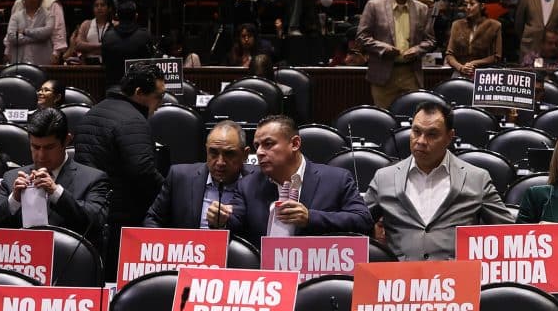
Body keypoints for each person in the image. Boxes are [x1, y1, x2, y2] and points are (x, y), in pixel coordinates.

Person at [365, 101, 513, 261]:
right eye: (416, 131)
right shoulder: (384, 178)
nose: (421, 141)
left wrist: (540, 233)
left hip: (456, 280)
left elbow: (510, 234)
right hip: (401, 279)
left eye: (432, 134)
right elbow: (356, 226)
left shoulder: (476, 178)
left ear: (450, 137)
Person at [72, 61, 166, 273]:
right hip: (120, 221)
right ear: (140, 92)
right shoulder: (133, 120)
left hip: (89, 212)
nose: (160, 103)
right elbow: (143, 172)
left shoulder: (94, 111)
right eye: (159, 96)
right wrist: (170, 192)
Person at [227, 114, 373, 244]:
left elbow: (363, 221)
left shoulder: (337, 180)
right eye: (257, 146)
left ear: (295, 144)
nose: (259, 152)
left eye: (268, 144)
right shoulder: (247, 185)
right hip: (265, 271)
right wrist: (222, 218)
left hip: (318, 269)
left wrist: (310, 218)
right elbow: (235, 224)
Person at [0, 108, 110, 246]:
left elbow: (96, 223)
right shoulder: (11, 178)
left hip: (68, 262)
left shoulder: (93, 179)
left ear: (67, 141)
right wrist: (14, 200)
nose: (41, 155)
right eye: (35, 147)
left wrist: (56, 193)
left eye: (49, 147)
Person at [144, 121, 252, 229]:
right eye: (213, 152)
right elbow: (153, 219)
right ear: (206, 150)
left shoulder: (257, 182)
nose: (220, 162)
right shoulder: (179, 177)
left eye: (229, 154)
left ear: (245, 154)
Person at [356, 0, 435, 109]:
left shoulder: (421, 9)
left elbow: (430, 40)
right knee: (384, 120)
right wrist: (383, 48)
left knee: (412, 119)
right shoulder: (374, 5)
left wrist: (417, 50)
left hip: (410, 74)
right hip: (383, 74)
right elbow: (362, 36)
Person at [10, 0, 68, 64]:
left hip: (43, 55)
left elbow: (58, 31)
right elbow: (11, 33)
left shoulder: (52, 4)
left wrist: (56, 53)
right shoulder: (18, 3)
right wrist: (7, 51)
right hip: (20, 56)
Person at [445, 0, 502, 78]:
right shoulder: (457, 25)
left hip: (484, 73)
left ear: (482, 6)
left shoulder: (494, 25)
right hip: (461, 71)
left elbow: (497, 56)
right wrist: (461, 67)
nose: (468, 7)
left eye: (472, 4)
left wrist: (474, 63)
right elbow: (449, 54)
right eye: (465, 5)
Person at [101, 1, 153, 87]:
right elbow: (150, 61)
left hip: (113, 88)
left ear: (117, 16)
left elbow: (104, 61)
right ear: (136, 16)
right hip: (139, 88)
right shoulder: (145, 36)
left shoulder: (108, 36)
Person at [4, 0, 55, 65]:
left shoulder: (48, 15)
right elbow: (12, 37)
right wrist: (38, 38)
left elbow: (47, 32)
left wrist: (25, 32)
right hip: (19, 63)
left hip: (41, 62)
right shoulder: (16, 16)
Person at [67, 0, 114, 65]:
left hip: (109, 65)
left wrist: (88, 49)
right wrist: (102, 47)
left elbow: (115, 47)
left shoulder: (115, 25)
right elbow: (78, 45)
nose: (99, 8)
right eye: (96, 5)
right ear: (93, 9)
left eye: (102, 5)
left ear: (109, 8)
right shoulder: (86, 24)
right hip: (88, 65)